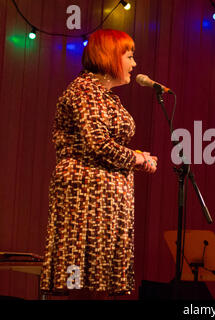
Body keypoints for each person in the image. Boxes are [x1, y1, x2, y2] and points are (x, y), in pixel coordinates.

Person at [40, 29, 157, 297]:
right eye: (129, 56)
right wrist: (136, 158)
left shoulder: (104, 96)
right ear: (111, 57)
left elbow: (103, 143)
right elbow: (98, 144)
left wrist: (139, 157)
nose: (134, 64)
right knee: (81, 279)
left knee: (99, 282)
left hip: (105, 201)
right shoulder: (84, 91)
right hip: (86, 199)